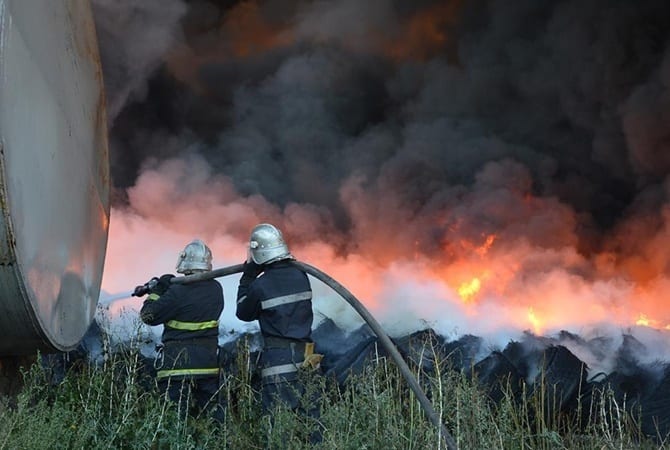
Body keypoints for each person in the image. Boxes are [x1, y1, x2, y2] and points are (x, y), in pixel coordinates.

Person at [236, 223, 323, 439]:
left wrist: (248, 277)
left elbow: (243, 312)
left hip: (279, 361)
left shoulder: (260, 285)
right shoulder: (301, 275)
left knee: (279, 426)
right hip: (308, 359)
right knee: (312, 426)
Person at [137, 238, 225, 422]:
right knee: (212, 419)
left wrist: (157, 291)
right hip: (207, 365)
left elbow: (148, 316)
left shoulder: (178, 292)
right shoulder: (216, 289)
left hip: (177, 367)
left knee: (174, 420)